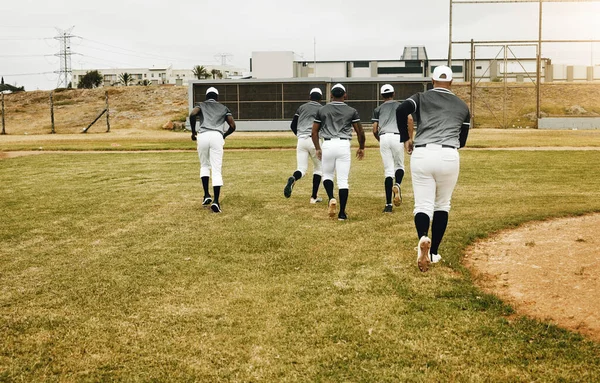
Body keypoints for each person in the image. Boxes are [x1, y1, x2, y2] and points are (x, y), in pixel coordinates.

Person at [396, 65, 470, 272]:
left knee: (422, 205)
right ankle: (434, 252)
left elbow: (401, 110)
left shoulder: (421, 97)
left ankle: (422, 238)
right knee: (442, 205)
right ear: (452, 82)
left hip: (423, 152)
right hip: (448, 153)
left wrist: (406, 139)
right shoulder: (462, 106)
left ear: (432, 80)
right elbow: (462, 140)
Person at [312, 83, 366, 221]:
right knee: (343, 181)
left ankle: (331, 198)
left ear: (331, 95)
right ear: (345, 95)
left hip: (328, 143)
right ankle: (342, 213)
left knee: (327, 175)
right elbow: (360, 132)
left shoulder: (322, 110)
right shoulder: (351, 110)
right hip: (343, 144)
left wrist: (318, 147)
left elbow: (314, 131)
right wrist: (361, 147)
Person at [189, 86, 236, 213]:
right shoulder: (223, 108)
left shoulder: (201, 105)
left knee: (204, 165)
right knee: (216, 169)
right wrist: (224, 135)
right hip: (216, 135)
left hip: (203, 135)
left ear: (206, 96)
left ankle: (206, 195)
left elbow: (193, 114)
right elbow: (232, 125)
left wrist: (193, 132)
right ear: (217, 97)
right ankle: (216, 201)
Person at [371, 84, 414, 213]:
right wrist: (409, 138)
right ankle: (398, 185)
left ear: (382, 95)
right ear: (393, 94)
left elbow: (374, 129)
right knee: (399, 166)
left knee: (388, 171)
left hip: (384, 136)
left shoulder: (378, 108)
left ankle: (388, 205)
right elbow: (410, 119)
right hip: (397, 136)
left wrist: (379, 139)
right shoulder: (400, 106)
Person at [283, 88, 324, 204]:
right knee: (319, 168)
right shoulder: (322, 109)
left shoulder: (301, 108)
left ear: (310, 97)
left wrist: (300, 135)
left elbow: (292, 125)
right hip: (314, 140)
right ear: (320, 98)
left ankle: (294, 178)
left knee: (301, 169)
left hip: (301, 140)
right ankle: (313, 197)